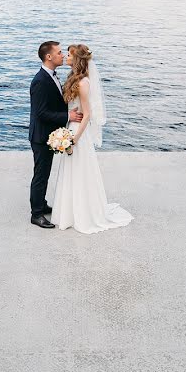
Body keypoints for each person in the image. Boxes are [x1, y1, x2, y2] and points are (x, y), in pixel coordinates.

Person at [51, 44, 133, 234]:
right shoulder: (73, 78)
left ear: (77, 59)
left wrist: (73, 140)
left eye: (69, 55)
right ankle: (69, 212)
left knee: (80, 171)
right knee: (71, 171)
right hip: (70, 127)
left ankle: (83, 214)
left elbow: (87, 115)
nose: (66, 57)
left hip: (78, 132)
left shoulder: (83, 82)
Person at [29, 41, 83, 229]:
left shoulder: (51, 76)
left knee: (45, 172)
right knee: (41, 175)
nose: (63, 55)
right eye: (59, 53)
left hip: (50, 134)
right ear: (49, 57)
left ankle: (41, 204)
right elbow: (41, 113)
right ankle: (36, 214)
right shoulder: (40, 81)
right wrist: (68, 115)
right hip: (41, 136)